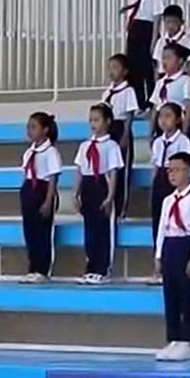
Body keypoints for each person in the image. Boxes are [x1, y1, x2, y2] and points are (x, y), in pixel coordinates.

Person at [154, 151, 190, 361]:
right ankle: (173, 337)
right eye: (170, 170)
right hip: (170, 244)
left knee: (186, 294)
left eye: (178, 170)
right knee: (170, 294)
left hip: (186, 244)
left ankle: (187, 340)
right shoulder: (168, 200)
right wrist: (158, 255)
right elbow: (162, 228)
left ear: (189, 172)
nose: (173, 174)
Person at [73, 103, 124, 285]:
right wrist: (75, 192)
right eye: (91, 120)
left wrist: (110, 196)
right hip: (87, 186)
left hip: (101, 184)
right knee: (90, 229)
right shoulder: (85, 145)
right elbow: (79, 169)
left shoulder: (111, 146)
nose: (93, 124)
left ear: (107, 122)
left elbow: (113, 172)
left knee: (103, 228)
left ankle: (102, 269)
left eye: (97, 120)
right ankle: (90, 266)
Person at [146, 102, 190, 282]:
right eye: (161, 116)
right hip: (160, 182)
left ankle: (175, 266)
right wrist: (154, 186)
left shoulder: (183, 141)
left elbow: (187, 165)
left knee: (175, 224)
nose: (163, 120)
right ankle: (158, 266)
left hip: (175, 182)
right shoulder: (158, 142)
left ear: (178, 119)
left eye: (168, 116)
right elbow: (155, 166)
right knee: (158, 225)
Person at [17, 112, 63, 284]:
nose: (29, 130)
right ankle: (33, 267)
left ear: (45, 130)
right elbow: (26, 174)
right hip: (29, 190)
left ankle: (43, 269)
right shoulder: (29, 152)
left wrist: (48, 200)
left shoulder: (51, 152)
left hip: (43, 191)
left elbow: (52, 178)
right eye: (28, 127)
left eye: (34, 127)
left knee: (42, 232)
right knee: (30, 232)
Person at [101, 54, 140, 218]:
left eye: (115, 68)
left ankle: (120, 207)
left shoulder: (128, 91)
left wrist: (125, 135)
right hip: (108, 129)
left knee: (121, 170)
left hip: (120, 127)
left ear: (125, 72)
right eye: (109, 68)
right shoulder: (107, 92)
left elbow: (129, 115)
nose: (111, 71)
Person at [122, 0, 163, 107]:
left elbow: (157, 20)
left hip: (147, 32)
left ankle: (150, 102)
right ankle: (138, 102)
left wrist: (153, 42)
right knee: (134, 69)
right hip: (135, 34)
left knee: (147, 70)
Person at [150, 42, 190, 125]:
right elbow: (155, 108)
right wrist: (151, 130)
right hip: (162, 125)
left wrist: (184, 131)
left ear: (180, 61)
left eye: (169, 58)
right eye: (163, 58)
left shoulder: (187, 81)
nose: (165, 61)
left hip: (178, 124)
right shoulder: (160, 83)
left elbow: (189, 109)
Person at [151, 5, 190, 86]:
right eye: (168, 22)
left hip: (180, 78)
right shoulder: (161, 41)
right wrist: (157, 83)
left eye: (174, 22)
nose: (170, 26)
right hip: (163, 77)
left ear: (182, 22)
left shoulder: (186, 41)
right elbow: (157, 65)